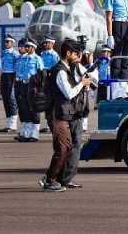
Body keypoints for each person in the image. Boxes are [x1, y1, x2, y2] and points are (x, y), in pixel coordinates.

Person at [40, 39, 93, 192]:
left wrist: (84, 85)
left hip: (64, 113)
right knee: (63, 148)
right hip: (58, 114)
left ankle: (54, 178)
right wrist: (82, 84)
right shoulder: (60, 71)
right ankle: (50, 180)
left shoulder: (67, 68)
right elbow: (69, 93)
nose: (78, 56)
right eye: (76, 53)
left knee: (67, 147)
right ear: (68, 53)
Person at [14, 38, 44, 142]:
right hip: (23, 84)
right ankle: (26, 134)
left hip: (33, 87)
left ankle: (35, 134)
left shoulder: (37, 59)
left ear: (33, 48)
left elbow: (41, 75)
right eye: (25, 46)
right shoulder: (24, 58)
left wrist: (40, 89)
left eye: (28, 46)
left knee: (34, 109)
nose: (26, 48)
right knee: (25, 108)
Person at [0, 35, 19, 133]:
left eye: (8, 42)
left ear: (12, 43)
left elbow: (17, 68)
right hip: (4, 75)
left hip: (11, 76)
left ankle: (13, 125)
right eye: (5, 41)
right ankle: (8, 124)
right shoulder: (3, 53)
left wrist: (14, 81)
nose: (6, 43)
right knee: (5, 99)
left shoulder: (15, 54)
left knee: (11, 99)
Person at [40, 35, 60, 133]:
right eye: (45, 42)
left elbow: (56, 68)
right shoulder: (42, 54)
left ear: (52, 44)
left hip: (51, 78)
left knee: (51, 102)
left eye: (48, 42)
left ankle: (51, 123)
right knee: (44, 101)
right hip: (43, 77)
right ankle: (46, 124)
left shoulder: (55, 55)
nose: (45, 44)